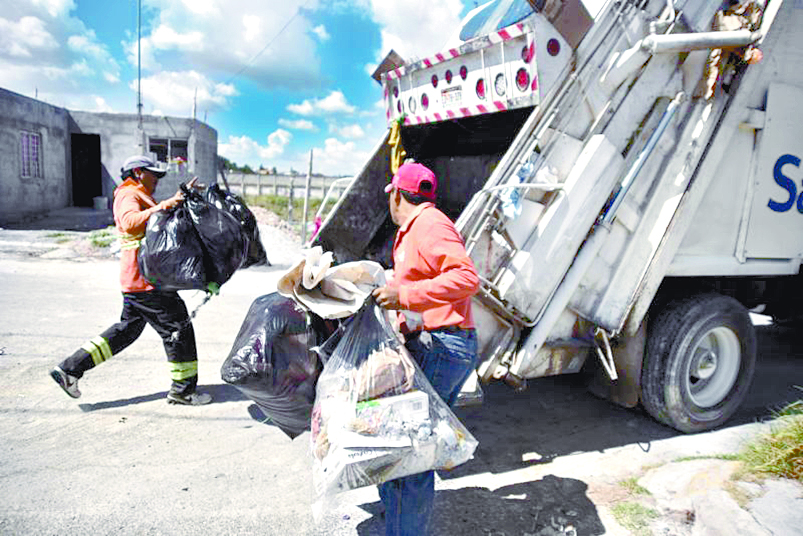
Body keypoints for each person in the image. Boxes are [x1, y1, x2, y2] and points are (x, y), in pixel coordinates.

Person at [50, 155, 212, 406]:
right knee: (178, 328)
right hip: (145, 279)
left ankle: (70, 370)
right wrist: (167, 204)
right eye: (153, 174)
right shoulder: (128, 194)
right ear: (138, 172)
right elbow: (129, 223)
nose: (157, 180)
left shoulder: (138, 193)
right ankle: (183, 391)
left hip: (138, 279)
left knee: (125, 332)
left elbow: (156, 221)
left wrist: (180, 197)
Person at [371, 162, 480, 535]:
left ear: (396, 195)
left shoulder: (431, 224)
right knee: (397, 440)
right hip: (435, 343)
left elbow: (466, 277)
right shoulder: (415, 228)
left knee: (410, 449)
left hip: (443, 346)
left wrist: (405, 296)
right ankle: (399, 520)